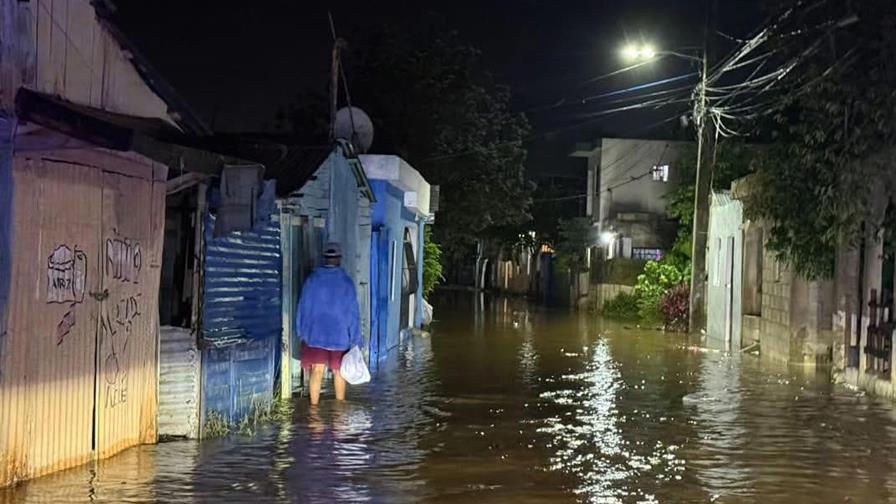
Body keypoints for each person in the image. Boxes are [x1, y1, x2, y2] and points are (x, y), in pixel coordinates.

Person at [297, 241, 363, 405]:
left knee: (317, 370)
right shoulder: (346, 283)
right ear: (339, 259)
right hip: (340, 336)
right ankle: (339, 410)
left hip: (315, 335)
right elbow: (353, 313)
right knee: (339, 372)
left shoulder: (312, 280)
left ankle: (313, 411)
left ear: (324, 258)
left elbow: (303, 307)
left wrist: (301, 331)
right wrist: (356, 338)